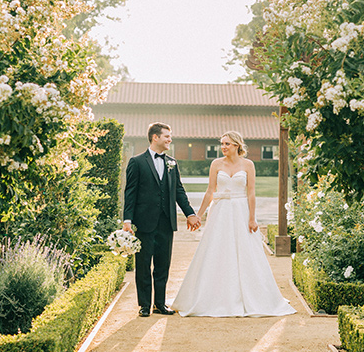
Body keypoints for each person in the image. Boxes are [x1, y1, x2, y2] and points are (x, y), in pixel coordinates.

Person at [169, 131, 295, 317]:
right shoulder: (216, 164)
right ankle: (213, 295)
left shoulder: (248, 165)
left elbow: (251, 193)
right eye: (222, 143)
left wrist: (252, 218)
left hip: (241, 210)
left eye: (227, 143)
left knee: (245, 250)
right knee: (216, 249)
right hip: (220, 211)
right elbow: (210, 191)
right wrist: (198, 215)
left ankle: (251, 296)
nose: (223, 147)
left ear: (237, 145)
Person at [123, 122, 201, 317]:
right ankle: (144, 305)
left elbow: (178, 191)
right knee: (143, 265)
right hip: (144, 222)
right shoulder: (137, 162)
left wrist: (190, 213)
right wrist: (127, 220)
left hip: (166, 222)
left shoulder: (172, 163)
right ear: (155, 137)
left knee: (163, 265)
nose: (170, 139)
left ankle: (159, 304)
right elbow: (130, 193)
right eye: (167, 136)